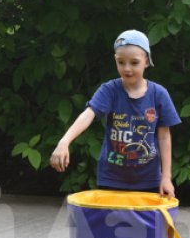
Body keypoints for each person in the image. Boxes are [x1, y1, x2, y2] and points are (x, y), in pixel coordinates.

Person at [50, 30, 181, 196]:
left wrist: (166, 177)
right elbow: (88, 114)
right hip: (111, 179)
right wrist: (64, 141)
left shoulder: (159, 94)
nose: (127, 69)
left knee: (145, 223)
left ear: (146, 61)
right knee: (113, 222)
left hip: (149, 180)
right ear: (115, 60)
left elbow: (164, 136)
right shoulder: (109, 90)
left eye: (134, 62)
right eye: (121, 62)